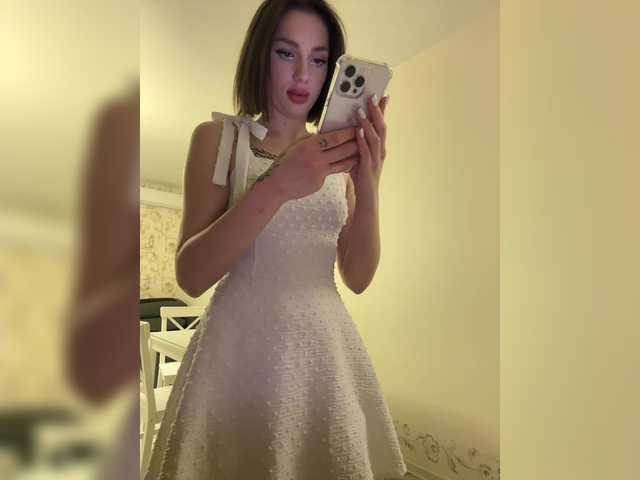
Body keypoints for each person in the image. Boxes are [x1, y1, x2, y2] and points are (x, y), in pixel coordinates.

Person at [144, 0, 405, 478]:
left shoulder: (337, 156)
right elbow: (192, 276)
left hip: (323, 348)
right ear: (261, 55)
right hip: (240, 346)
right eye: (287, 53)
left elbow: (358, 276)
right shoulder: (219, 139)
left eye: (319, 59)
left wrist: (370, 183)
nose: (303, 75)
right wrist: (279, 184)